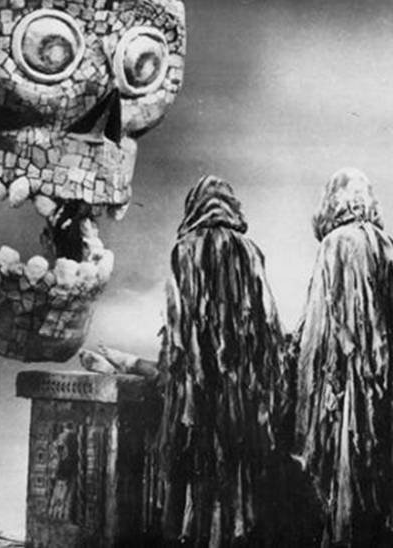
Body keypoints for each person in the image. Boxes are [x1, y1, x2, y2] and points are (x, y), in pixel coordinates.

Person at [153, 175, 289, 546]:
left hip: (196, 390)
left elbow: (177, 330)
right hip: (239, 387)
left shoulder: (184, 250)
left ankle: (198, 535)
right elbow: (266, 327)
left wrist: (173, 378)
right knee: (236, 467)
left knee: (198, 467)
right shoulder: (250, 251)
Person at [294, 168, 393, 548]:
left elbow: (319, 327)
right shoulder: (386, 245)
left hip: (341, 386)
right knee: (374, 472)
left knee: (342, 470)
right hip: (383, 385)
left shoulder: (335, 244)